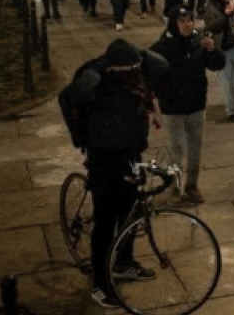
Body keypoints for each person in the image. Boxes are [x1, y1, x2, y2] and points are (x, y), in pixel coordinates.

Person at [61, 40, 169, 309]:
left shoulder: (136, 77)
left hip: (130, 155)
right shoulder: (97, 79)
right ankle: (100, 284)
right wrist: (99, 66)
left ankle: (124, 262)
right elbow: (71, 96)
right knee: (105, 224)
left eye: (136, 67)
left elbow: (162, 65)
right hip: (104, 161)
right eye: (130, 68)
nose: (136, 72)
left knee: (131, 213)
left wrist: (137, 53)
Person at [149, 6, 225, 204]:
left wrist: (212, 50)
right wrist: (154, 102)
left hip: (196, 106)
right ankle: (174, 187)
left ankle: (192, 185)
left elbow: (218, 64)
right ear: (174, 23)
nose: (187, 24)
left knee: (195, 149)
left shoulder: (199, 43)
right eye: (182, 20)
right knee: (175, 151)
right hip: (172, 109)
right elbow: (149, 77)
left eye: (190, 20)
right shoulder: (160, 47)